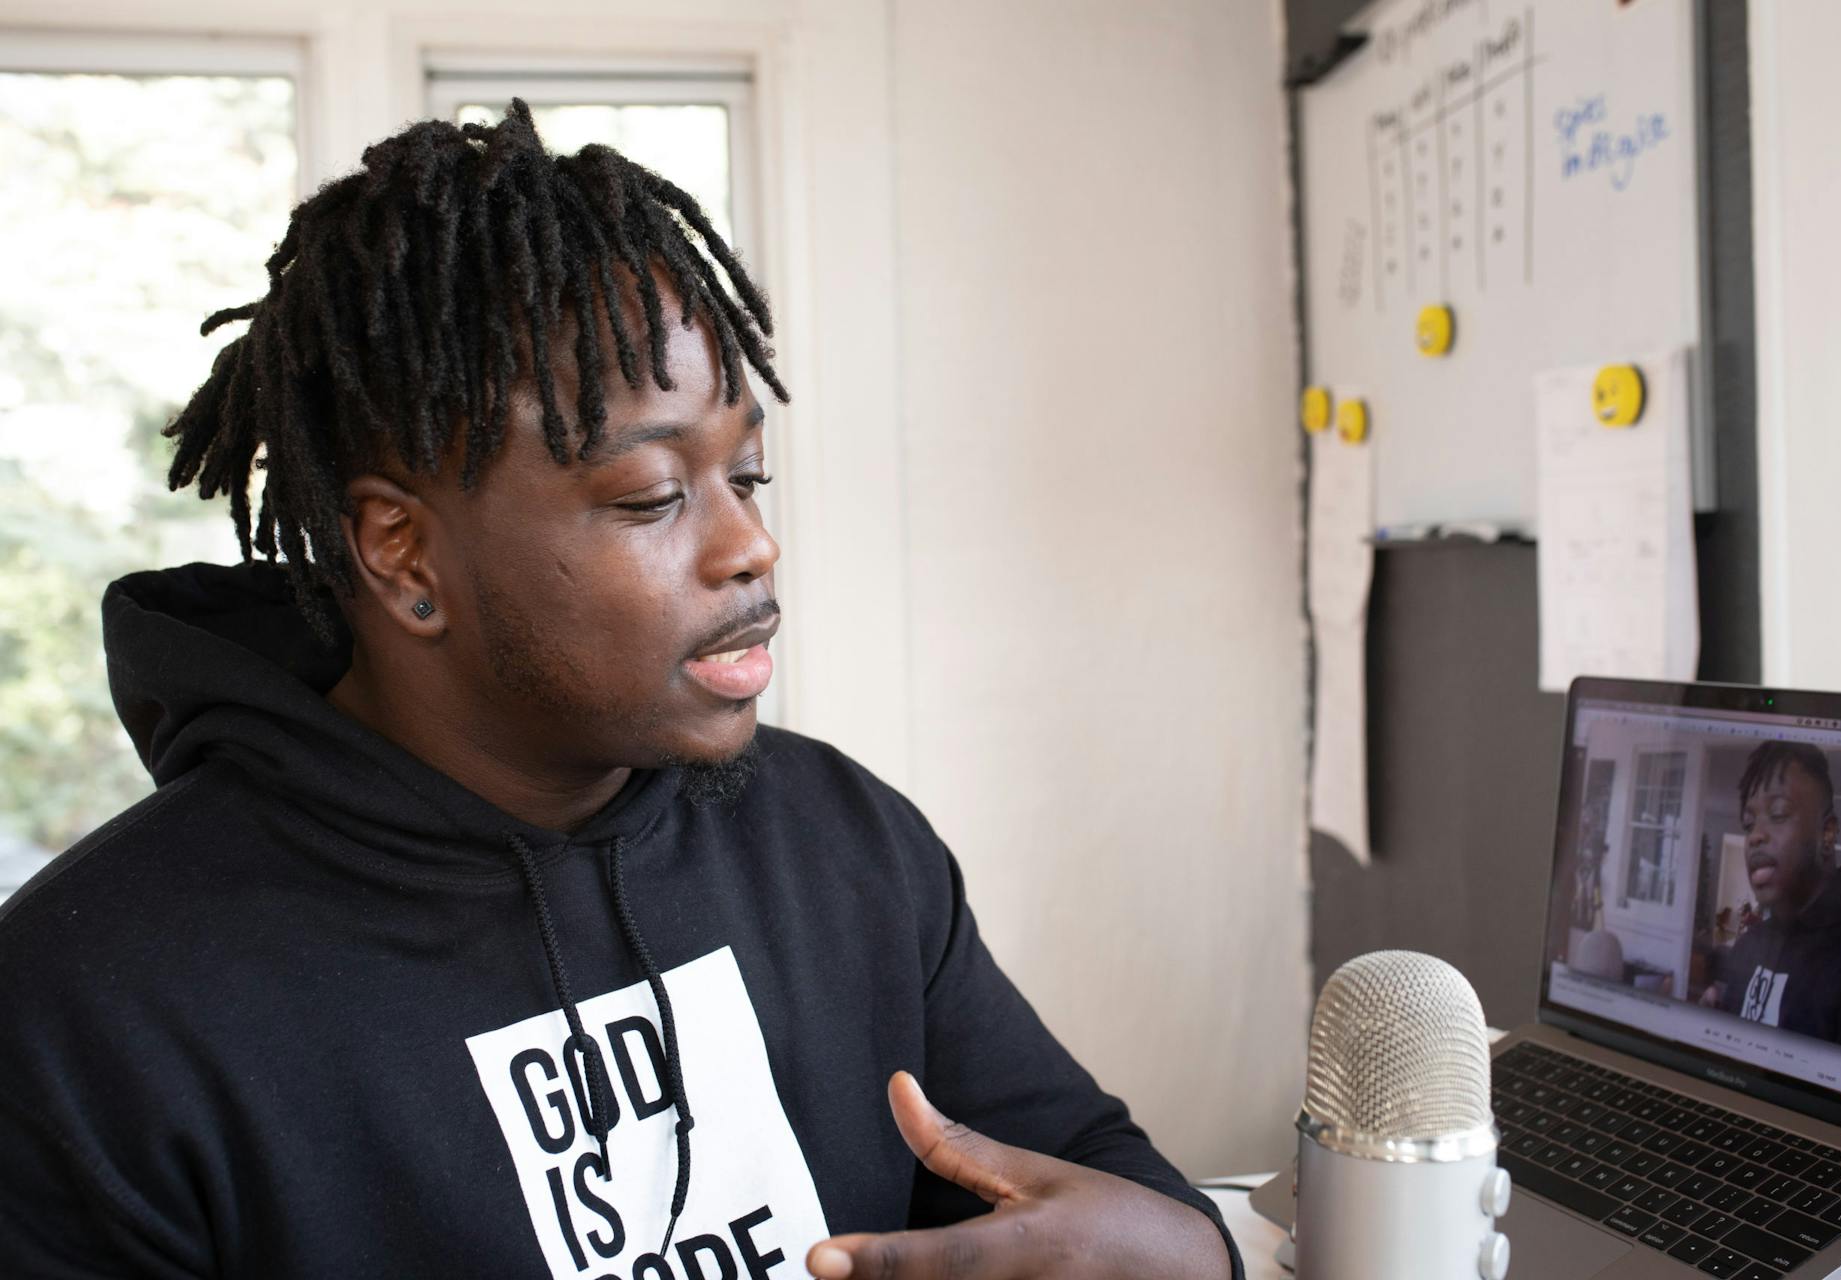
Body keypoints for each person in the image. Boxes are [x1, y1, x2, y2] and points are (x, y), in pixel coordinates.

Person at [0, 103, 1239, 1279]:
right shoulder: (94, 1002)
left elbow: (1099, 1197)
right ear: (403, 552)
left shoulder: (843, 844)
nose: (747, 545)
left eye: (746, 474)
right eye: (652, 497)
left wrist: (1200, 1248)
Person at [1696, 741, 1841, 1068]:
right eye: (1748, 823)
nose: (1755, 836)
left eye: (1778, 814)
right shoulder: (1748, 948)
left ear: (1827, 833)